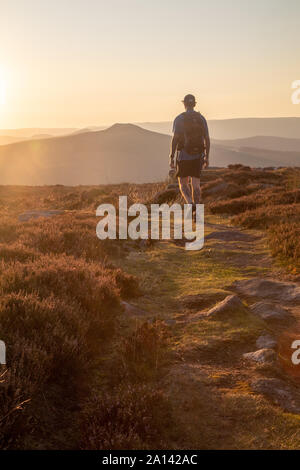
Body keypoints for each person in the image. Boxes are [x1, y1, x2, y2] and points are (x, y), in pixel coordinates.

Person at [169, 94, 210, 210]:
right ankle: (197, 208)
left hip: (183, 155)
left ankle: (190, 203)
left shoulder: (179, 119)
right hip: (198, 155)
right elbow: (207, 138)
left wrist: (171, 156)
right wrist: (207, 157)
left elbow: (175, 139)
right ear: (195, 104)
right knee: (196, 184)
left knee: (183, 184)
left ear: (184, 104)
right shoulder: (201, 118)